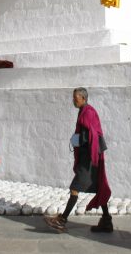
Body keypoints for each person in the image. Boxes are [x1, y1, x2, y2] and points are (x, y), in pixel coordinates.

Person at [43, 87, 113, 234]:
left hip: (90, 158)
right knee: (98, 186)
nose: (73, 100)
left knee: (75, 187)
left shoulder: (88, 112)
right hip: (90, 156)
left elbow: (93, 134)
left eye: (75, 98)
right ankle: (107, 221)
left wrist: (78, 139)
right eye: (73, 97)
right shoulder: (84, 111)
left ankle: (62, 221)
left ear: (83, 97)